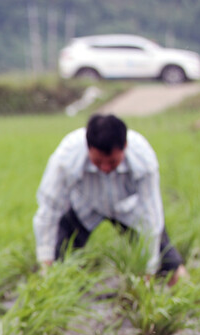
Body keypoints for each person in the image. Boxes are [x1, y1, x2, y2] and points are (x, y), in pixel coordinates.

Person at [32, 113, 189, 286]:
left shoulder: (143, 158)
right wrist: (46, 261)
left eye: (113, 162)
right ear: (87, 147)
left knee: (170, 264)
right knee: (55, 262)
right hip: (84, 207)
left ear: (125, 146)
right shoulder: (66, 158)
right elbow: (49, 209)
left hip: (128, 209)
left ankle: (186, 294)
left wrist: (148, 271)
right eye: (98, 162)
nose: (105, 168)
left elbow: (151, 215)